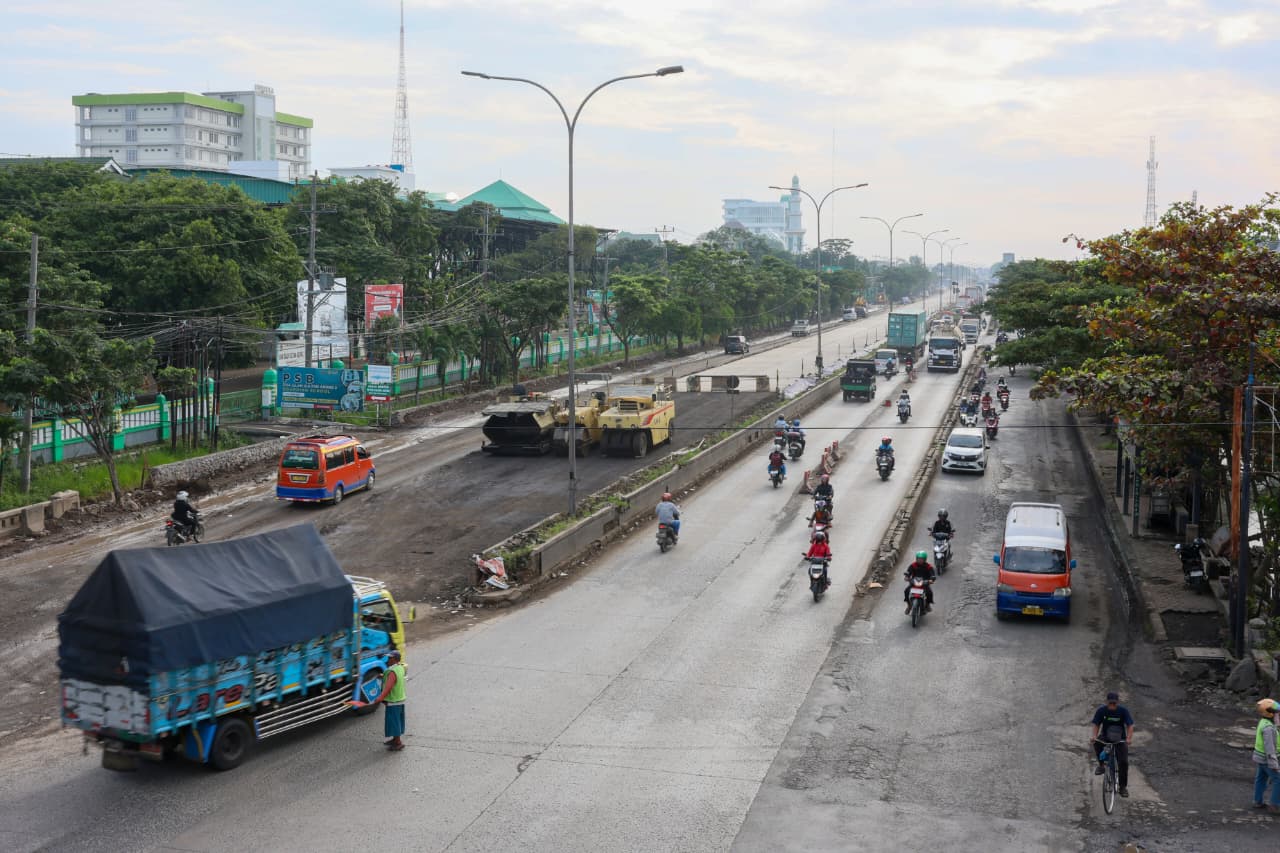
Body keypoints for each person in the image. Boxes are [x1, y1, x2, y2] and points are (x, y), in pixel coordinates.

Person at [351, 649, 407, 751]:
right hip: (399, 699)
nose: (388, 659)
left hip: (393, 700)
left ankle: (398, 743)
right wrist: (382, 675)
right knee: (395, 721)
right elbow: (393, 678)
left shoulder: (392, 672)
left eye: (390, 658)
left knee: (394, 722)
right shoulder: (400, 668)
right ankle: (395, 739)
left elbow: (388, 687)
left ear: (394, 659)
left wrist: (380, 698)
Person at [1091, 691, 1135, 798]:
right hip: (1106, 736)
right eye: (1110, 703)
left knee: (1123, 762)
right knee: (1097, 743)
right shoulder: (1101, 710)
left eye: (1114, 703)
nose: (1112, 706)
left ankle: (1123, 787)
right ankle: (1101, 765)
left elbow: (1130, 725)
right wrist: (1094, 736)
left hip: (1120, 738)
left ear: (1117, 702)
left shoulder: (1123, 711)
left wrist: (1129, 738)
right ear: (1106, 702)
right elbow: (1096, 724)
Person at [1252, 698, 1280, 812]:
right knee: (1278, 780)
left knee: (1261, 779)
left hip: (1260, 758)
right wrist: (1274, 765)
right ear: (1270, 714)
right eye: (1278, 714)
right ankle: (1275, 805)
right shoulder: (1268, 728)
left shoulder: (1264, 722)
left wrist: (1277, 725)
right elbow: (1270, 749)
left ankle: (1257, 801)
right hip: (1267, 759)